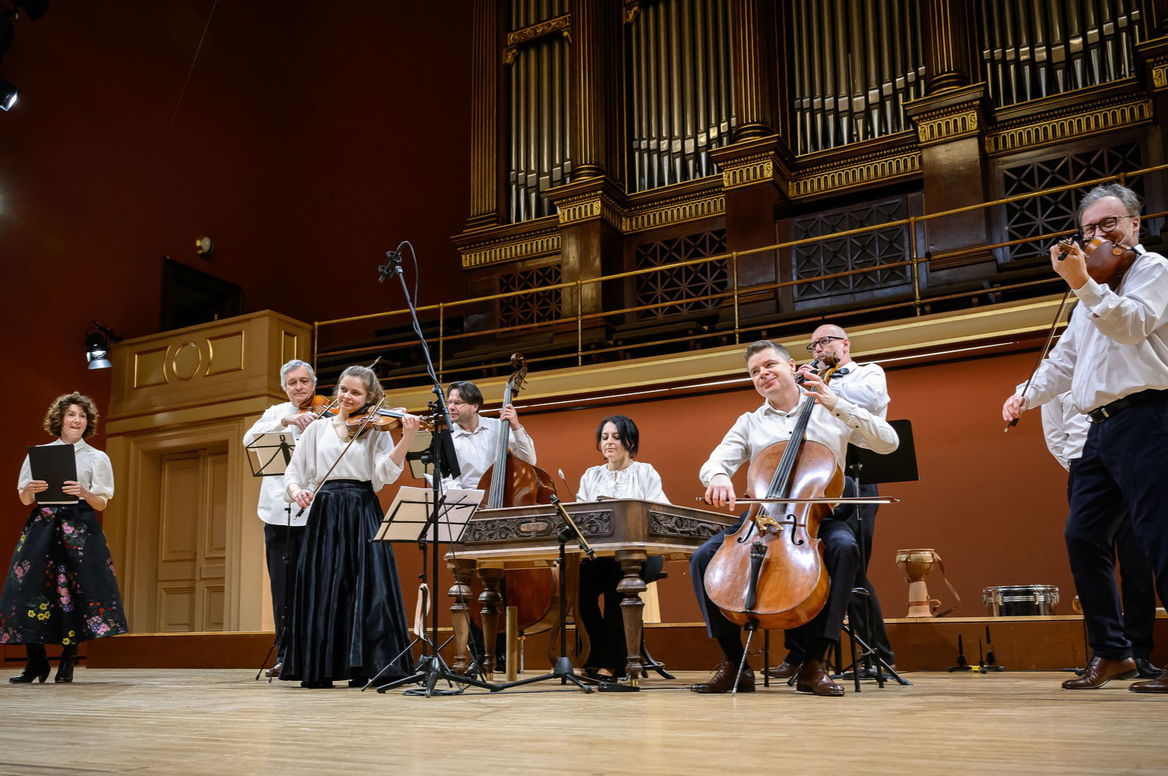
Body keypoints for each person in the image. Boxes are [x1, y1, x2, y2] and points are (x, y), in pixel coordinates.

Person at [1001, 182, 1168, 693]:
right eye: (1089, 228)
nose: (1098, 236)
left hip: (1149, 418)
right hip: (1100, 429)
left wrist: (1082, 284)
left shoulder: (1154, 270)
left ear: (1135, 223)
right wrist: (1024, 395)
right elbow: (1064, 362)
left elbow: (1132, 325)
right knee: (1082, 536)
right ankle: (1113, 652)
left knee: (1159, 537)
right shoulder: (1086, 296)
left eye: (1109, 223)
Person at [691, 340, 898, 695]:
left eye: (769, 365)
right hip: (762, 517)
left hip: (816, 515)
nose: (762, 374)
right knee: (702, 559)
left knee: (845, 549)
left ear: (791, 366)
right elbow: (716, 462)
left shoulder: (828, 407)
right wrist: (719, 477)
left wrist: (836, 403)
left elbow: (889, 442)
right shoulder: (749, 422)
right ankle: (734, 662)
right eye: (755, 371)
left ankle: (815, 661)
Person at [767, 324, 897, 680]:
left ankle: (876, 656)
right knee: (797, 564)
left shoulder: (868, 374)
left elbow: (869, 402)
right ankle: (799, 655)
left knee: (852, 569)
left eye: (824, 342)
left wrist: (819, 384)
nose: (818, 349)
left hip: (852, 480)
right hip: (810, 484)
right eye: (813, 346)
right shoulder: (808, 382)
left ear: (845, 344)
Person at [280, 365, 418, 689]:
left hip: (362, 508)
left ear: (370, 398)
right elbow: (293, 473)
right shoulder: (317, 429)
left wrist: (407, 438)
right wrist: (297, 491)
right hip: (325, 511)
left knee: (368, 587)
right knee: (324, 588)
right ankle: (322, 668)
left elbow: (383, 476)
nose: (346, 397)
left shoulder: (376, 430)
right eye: (343, 389)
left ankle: (366, 666)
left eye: (356, 393)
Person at [1, 393, 128, 683]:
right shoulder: (39, 454)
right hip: (44, 524)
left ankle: (68, 659)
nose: (77, 420)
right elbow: (24, 499)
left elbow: (102, 503)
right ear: (60, 419)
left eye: (82, 416)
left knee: (76, 588)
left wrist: (84, 492)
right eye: (72, 414)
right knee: (28, 587)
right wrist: (31, 489)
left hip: (79, 526)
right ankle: (36, 662)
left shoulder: (97, 457)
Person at [1041, 391, 1160, 679]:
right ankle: (1111, 651)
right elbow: (1055, 436)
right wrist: (1084, 469)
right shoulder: (1054, 378)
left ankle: (1140, 651)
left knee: (1138, 561)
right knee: (1086, 548)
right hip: (1086, 466)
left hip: (1129, 456)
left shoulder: (1116, 372)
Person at [241, 359, 319, 678]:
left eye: (304, 381)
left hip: (315, 512)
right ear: (284, 387)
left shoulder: (327, 415)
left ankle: (317, 656)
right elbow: (249, 441)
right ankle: (285, 655)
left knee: (316, 588)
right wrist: (286, 420)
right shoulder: (275, 413)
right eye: (292, 383)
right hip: (278, 514)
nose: (299, 387)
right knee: (283, 590)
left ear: (314, 384)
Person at [575, 415, 668, 680]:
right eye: (604, 437)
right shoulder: (591, 475)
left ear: (630, 441)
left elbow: (660, 512)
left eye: (616, 437)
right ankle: (590, 656)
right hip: (602, 555)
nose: (609, 442)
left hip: (642, 554)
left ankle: (613, 663)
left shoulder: (646, 472)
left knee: (617, 586)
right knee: (578, 589)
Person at [446, 380, 537, 490]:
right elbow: (450, 480)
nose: (451, 407)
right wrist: (466, 499)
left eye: (457, 403)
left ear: (475, 406)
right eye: (449, 402)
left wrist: (516, 427)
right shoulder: (447, 439)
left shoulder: (499, 427)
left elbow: (528, 461)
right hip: (469, 498)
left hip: (503, 495)